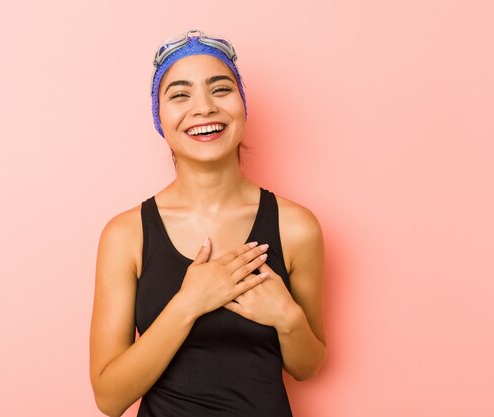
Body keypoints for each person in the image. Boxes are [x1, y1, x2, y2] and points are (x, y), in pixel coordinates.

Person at [89, 29, 327, 417]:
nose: (203, 108)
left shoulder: (296, 227)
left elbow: (308, 365)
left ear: (242, 105)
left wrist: (288, 318)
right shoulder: (126, 235)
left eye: (220, 89)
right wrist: (189, 303)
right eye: (180, 94)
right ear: (159, 117)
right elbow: (109, 398)